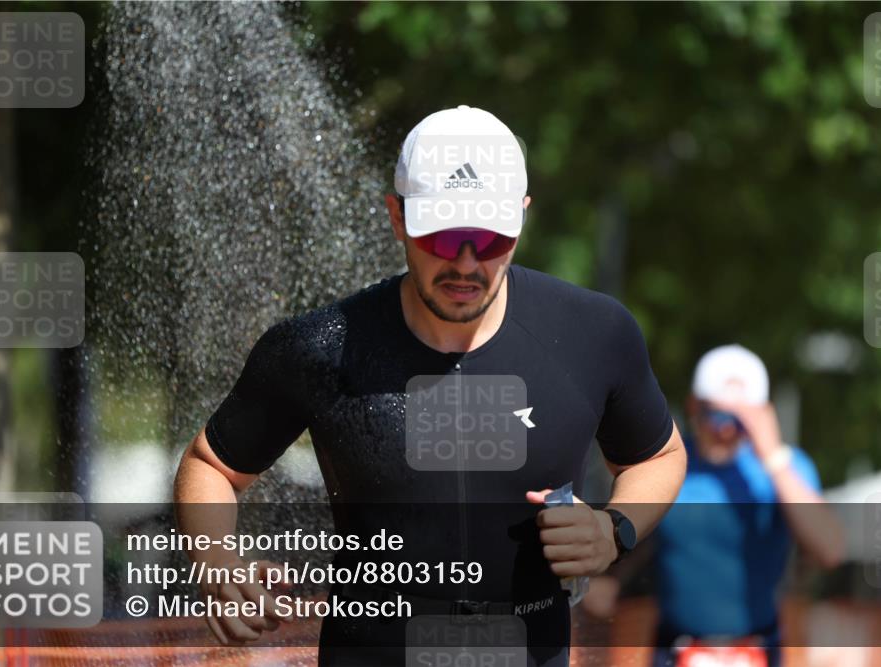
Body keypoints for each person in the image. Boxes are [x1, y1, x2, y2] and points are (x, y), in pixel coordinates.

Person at [173, 105, 687, 666]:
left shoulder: (594, 333)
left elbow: (658, 455)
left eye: (489, 239)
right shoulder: (320, 346)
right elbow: (211, 466)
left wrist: (614, 529)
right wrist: (217, 563)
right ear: (397, 218)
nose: (465, 264)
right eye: (442, 237)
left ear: (521, 217)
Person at [649, 344, 845, 667]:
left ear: (762, 414)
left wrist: (773, 457)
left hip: (758, 646)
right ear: (694, 406)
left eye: (741, 420)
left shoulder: (787, 469)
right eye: (718, 415)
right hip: (674, 646)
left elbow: (831, 548)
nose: (726, 429)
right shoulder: (670, 463)